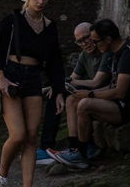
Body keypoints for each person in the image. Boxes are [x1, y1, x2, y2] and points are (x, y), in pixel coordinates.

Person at [0, 0, 67, 187]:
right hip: (12, 76)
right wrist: (1, 79)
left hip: (34, 77)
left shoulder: (49, 26)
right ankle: (1, 175)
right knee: (18, 134)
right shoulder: (12, 21)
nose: (41, 2)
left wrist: (59, 90)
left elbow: (54, 62)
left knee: (32, 137)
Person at [57, 19, 130, 169]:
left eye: (96, 41)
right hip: (124, 104)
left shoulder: (129, 55)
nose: (94, 44)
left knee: (85, 104)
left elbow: (119, 92)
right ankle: (79, 149)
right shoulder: (117, 53)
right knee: (78, 100)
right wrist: (86, 93)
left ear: (108, 40)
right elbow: (111, 85)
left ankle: (82, 153)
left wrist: (90, 95)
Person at [45, 23, 113, 166]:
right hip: (93, 93)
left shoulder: (105, 51)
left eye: (86, 38)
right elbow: (72, 78)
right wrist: (57, 87)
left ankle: (78, 148)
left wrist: (66, 82)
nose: (84, 43)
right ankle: (73, 146)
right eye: (79, 41)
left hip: (106, 94)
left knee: (74, 100)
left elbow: (96, 82)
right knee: (67, 98)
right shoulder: (84, 55)